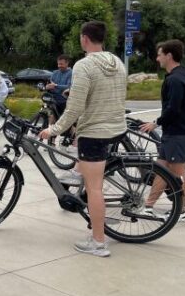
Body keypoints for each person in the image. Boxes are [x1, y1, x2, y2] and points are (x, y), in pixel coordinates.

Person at [39, 21, 127, 257]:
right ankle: (78, 171)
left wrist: (53, 130)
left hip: (94, 133)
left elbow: (75, 108)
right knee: (88, 174)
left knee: (94, 189)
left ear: (85, 39)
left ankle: (98, 242)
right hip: (115, 128)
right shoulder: (117, 62)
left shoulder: (84, 65)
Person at [138, 39, 185, 222]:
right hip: (174, 132)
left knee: (178, 174)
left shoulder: (176, 80)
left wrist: (156, 122)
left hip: (178, 133)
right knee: (162, 170)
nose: (157, 59)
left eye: (159, 55)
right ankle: (148, 207)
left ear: (169, 56)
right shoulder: (181, 75)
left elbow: (174, 109)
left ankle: (180, 212)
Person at [46, 54, 73, 121]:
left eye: (61, 64)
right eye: (58, 64)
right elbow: (50, 84)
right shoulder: (55, 73)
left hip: (64, 100)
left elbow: (69, 86)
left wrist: (55, 86)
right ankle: (49, 126)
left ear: (67, 63)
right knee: (49, 114)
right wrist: (47, 86)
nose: (59, 66)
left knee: (65, 120)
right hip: (53, 99)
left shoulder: (71, 73)